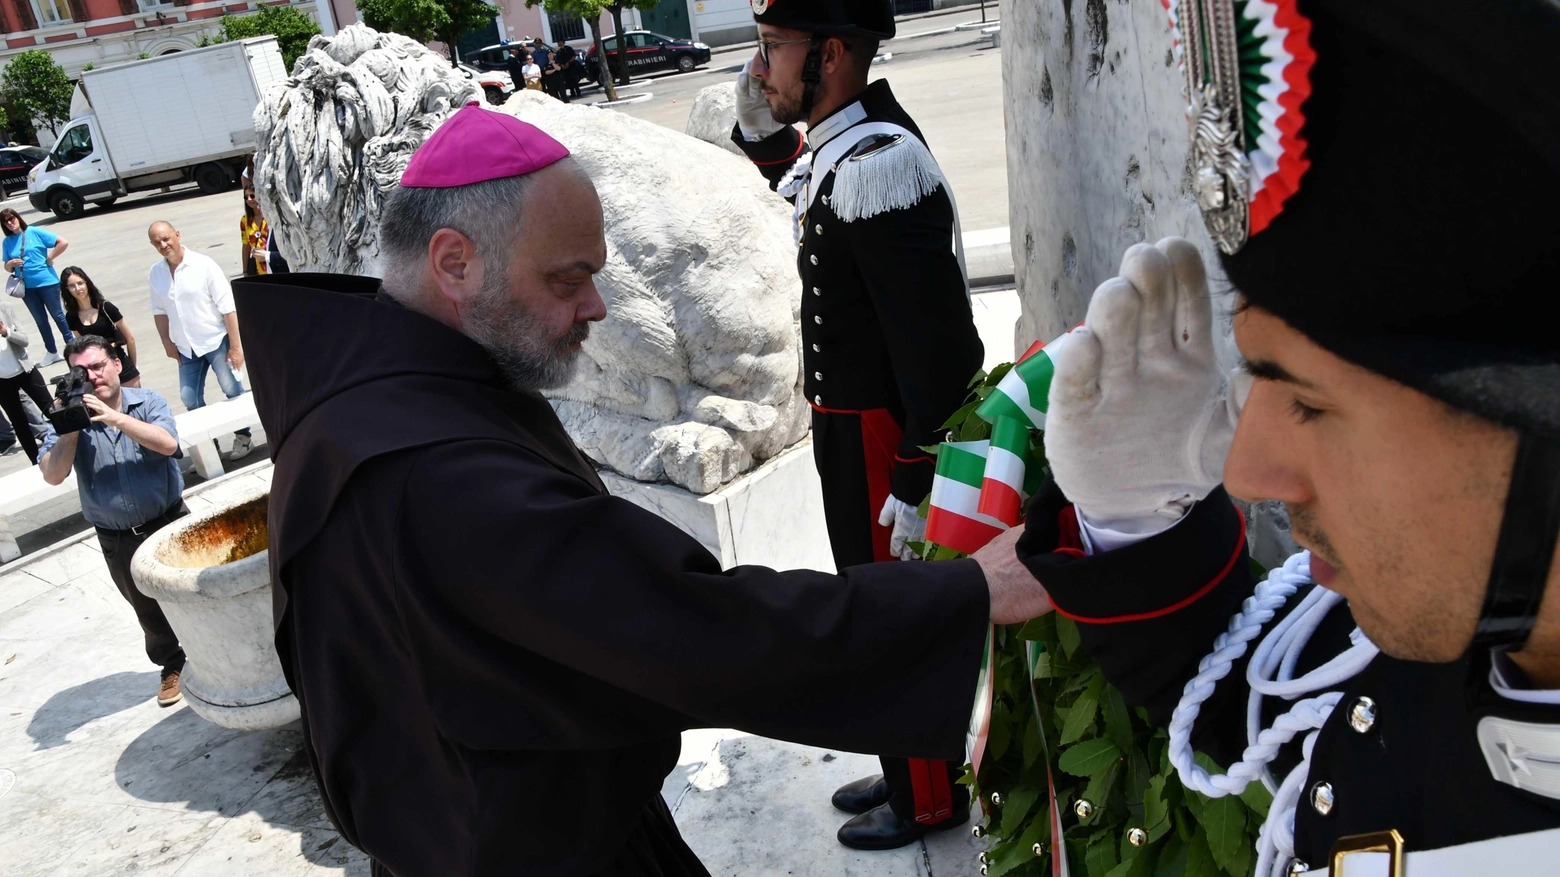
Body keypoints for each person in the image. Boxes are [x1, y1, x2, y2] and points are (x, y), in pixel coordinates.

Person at [232, 104, 1047, 877]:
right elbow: (702, 631)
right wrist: (970, 591)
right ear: (454, 262)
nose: (595, 305)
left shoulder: (357, 402)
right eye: (567, 278)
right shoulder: (434, 471)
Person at [1013, 2, 1560, 874]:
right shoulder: (1461, 613)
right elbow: (1273, 703)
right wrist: (1136, 515)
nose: (1245, 470)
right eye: (1259, 374)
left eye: (1306, 402)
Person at [730, 0, 985, 850]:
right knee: (865, 600)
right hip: (847, 427)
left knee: (890, 613)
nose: (760, 67)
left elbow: (939, 345)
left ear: (831, 54)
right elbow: (800, 186)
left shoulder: (879, 163)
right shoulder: (850, 142)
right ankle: (905, 753)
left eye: (773, 49)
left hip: (883, 435)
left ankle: (929, 799)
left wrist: (917, 468)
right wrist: (759, 122)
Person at [37, 335, 188, 708]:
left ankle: (221, 650)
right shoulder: (64, 418)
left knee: (195, 593)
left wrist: (115, 418)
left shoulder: (147, 401)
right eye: (82, 371)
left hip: (169, 521)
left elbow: (168, 444)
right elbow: (53, 475)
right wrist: (70, 427)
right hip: (118, 538)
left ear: (116, 364)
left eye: (98, 366)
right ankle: (173, 665)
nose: (93, 376)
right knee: (148, 611)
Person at [147, 220, 251, 460]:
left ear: (177, 235)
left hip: (215, 340)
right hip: (185, 347)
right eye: (157, 243)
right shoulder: (156, 273)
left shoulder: (203, 265)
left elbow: (228, 308)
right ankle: (208, 447)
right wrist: (166, 342)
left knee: (232, 389)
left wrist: (236, 347)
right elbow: (159, 310)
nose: (163, 245)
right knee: (189, 397)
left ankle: (243, 437)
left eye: (166, 239)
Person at [1, 207, 71, 366]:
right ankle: (52, 352)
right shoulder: (7, 242)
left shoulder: (34, 232)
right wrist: (10, 264)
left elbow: (62, 242)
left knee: (58, 316)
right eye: (6, 222)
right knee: (41, 321)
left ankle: (72, 345)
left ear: (18, 217)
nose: (10, 223)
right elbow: (7, 266)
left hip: (47, 282)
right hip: (27, 288)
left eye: (12, 218)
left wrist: (50, 258)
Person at [61, 266, 140, 389]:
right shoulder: (72, 316)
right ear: (67, 290)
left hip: (121, 364)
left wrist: (132, 365)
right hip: (98, 373)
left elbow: (130, 338)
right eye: (72, 286)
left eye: (80, 283)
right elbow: (82, 347)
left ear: (87, 283)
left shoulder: (106, 308)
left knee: (136, 404)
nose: (77, 289)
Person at [0, 300, 57, 464]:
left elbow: (24, 340)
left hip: (25, 370)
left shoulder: (5, 308)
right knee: (19, 423)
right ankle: (36, 462)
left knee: (51, 410)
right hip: (2, 381)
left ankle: (74, 445)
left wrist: (6, 331)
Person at [241, 172, 290, 276]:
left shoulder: (276, 224)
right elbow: (246, 246)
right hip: (258, 270)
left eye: (252, 196)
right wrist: (245, 271)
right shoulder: (245, 220)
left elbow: (290, 255)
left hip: (274, 269)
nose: (249, 199)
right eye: (246, 197)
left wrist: (267, 256)